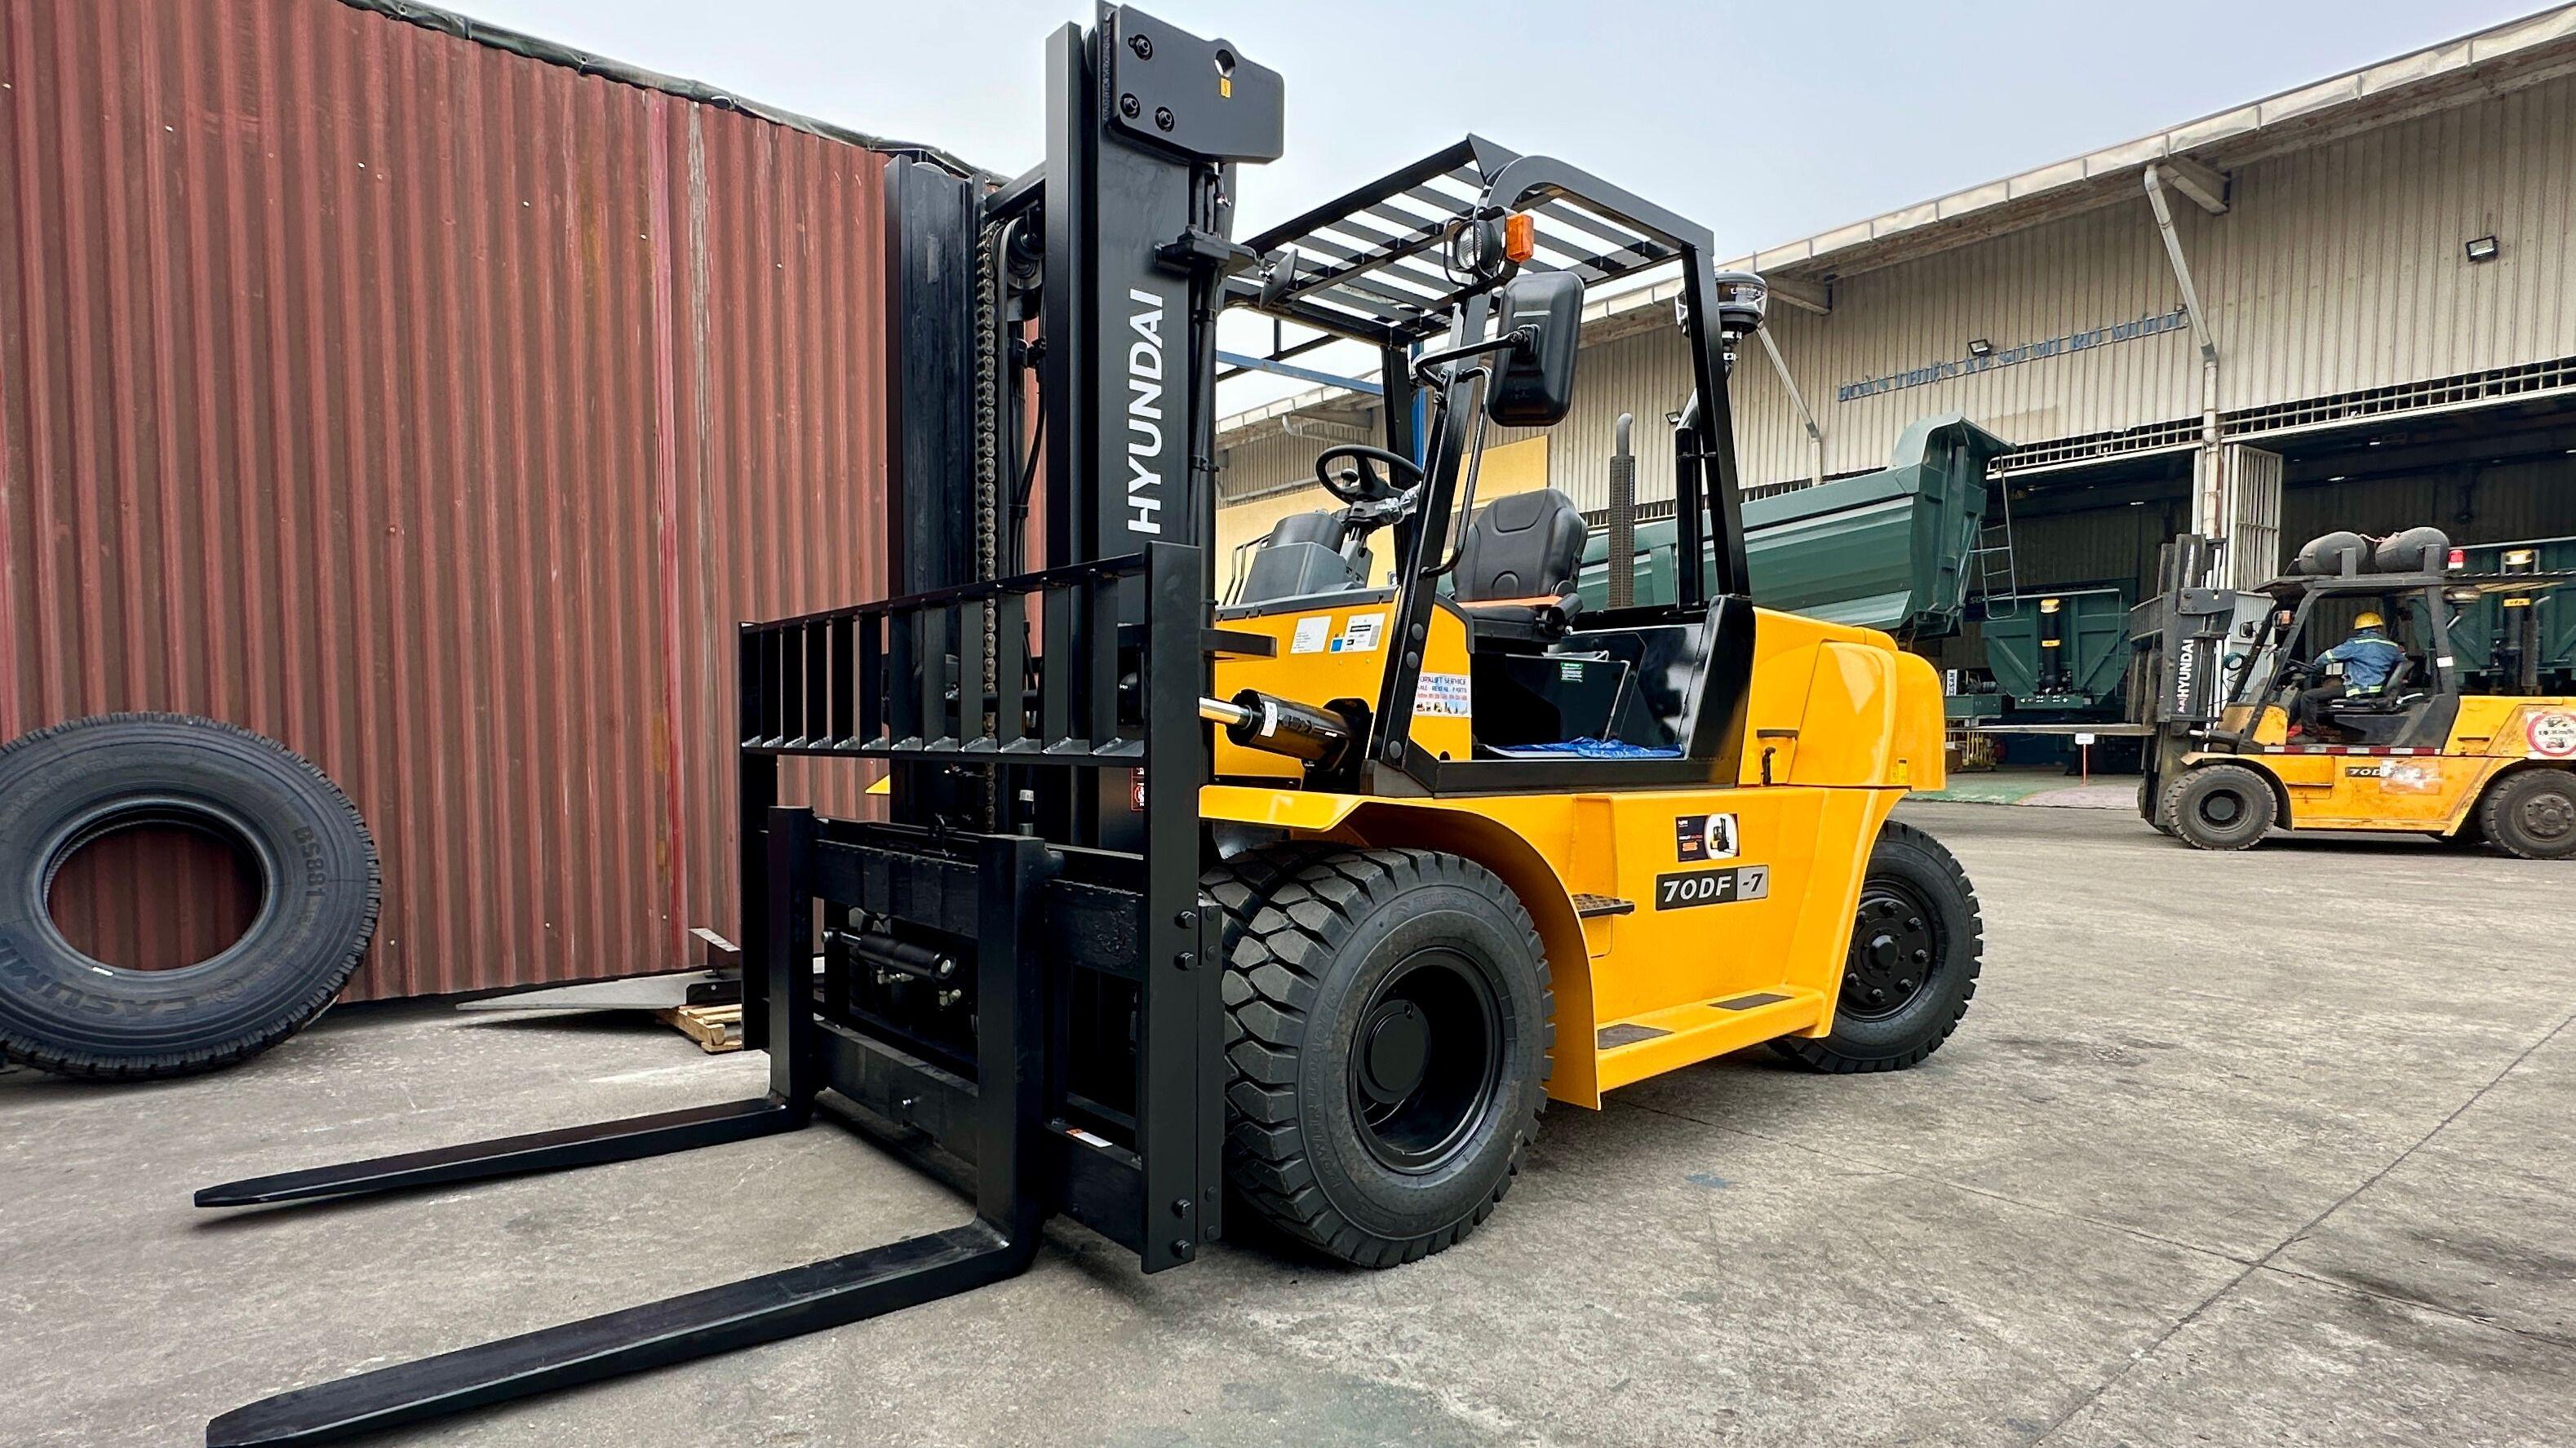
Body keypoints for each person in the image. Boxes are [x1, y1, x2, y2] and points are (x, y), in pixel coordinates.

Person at [2290, 610, 2406, 735]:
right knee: (2330, 688)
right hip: (2378, 691)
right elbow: (2403, 663)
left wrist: (2310, 668)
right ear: (2378, 628)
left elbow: (2327, 657)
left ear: (2360, 630)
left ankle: (2310, 733)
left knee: (2308, 696)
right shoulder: (2392, 646)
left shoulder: (2355, 645)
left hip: (2356, 690)